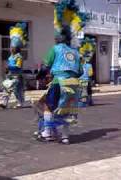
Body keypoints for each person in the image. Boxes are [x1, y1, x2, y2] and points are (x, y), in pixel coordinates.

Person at [35, 0, 88, 144]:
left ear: (58, 38)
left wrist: (39, 76)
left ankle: (47, 133)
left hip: (59, 82)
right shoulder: (75, 52)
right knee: (67, 109)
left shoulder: (56, 49)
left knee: (47, 105)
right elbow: (80, 71)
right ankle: (65, 136)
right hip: (74, 85)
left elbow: (45, 67)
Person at [0, 23, 27, 108]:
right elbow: (10, 64)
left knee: (12, 89)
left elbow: (18, 66)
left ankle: (15, 103)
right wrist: (7, 70)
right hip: (10, 75)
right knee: (11, 89)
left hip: (16, 76)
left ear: (17, 49)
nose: (11, 49)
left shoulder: (19, 57)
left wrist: (9, 67)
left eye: (12, 47)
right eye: (11, 47)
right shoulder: (11, 56)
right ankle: (10, 103)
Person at [79, 37, 96, 107]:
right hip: (87, 80)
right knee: (87, 91)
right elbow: (90, 74)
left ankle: (83, 102)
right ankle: (87, 102)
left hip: (80, 80)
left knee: (82, 91)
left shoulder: (79, 65)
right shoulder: (89, 65)